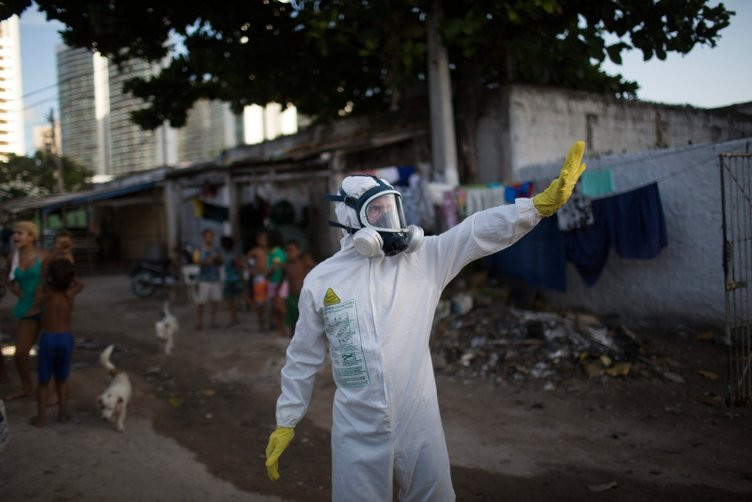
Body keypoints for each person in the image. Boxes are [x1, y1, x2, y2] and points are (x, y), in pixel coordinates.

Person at [265, 141, 587, 500]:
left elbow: (476, 231)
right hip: (357, 427)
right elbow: (303, 357)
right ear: (351, 220)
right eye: (378, 213)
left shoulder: (424, 260)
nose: (390, 222)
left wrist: (536, 207)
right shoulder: (321, 281)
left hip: (418, 416)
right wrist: (287, 418)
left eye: (392, 209)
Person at [30, 258, 83, 426]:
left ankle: (41, 418)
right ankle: (62, 414)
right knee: (62, 379)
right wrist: (69, 277)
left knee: (43, 381)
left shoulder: (45, 292)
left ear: (51, 277)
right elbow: (80, 283)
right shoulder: (70, 293)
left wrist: (48, 277)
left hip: (49, 338)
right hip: (65, 338)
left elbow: (36, 302)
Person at [5, 221, 47, 401]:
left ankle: (51, 391)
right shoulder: (12, 258)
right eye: (14, 233)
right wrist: (15, 291)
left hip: (47, 310)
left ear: (32, 236)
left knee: (48, 352)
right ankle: (26, 387)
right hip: (26, 310)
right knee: (21, 353)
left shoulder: (44, 256)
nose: (15, 236)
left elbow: (60, 276)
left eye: (20, 233)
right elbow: (8, 279)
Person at [280, 240, 313, 337]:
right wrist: (279, 297)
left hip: (304, 297)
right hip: (291, 298)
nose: (289, 253)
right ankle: (293, 342)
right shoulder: (285, 266)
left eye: (291, 250)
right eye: (287, 251)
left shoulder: (305, 263)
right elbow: (281, 282)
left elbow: (318, 271)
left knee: (307, 322)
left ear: (298, 251)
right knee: (292, 323)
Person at [193, 228, 223, 330]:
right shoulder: (199, 249)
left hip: (215, 278)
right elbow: (196, 261)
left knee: (215, 301)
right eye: (207, 237)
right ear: (203, 238)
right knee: (201, 302)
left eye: (211, 237)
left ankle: (213, 321)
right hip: (204, 279)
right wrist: (210, 259)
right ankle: (199, 322)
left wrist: (217, 259)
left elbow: (220, 262)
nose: (209, 239)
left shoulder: (217, 249)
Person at [243, 231, 270, 330]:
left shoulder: (270, 250)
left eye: (266, 239)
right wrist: (250, 271)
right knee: (260, 303)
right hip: (259, 279)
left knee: (270, 303)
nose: (264, 241)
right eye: (262, 239)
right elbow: (244, 261)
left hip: (269, 278)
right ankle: (261, 323)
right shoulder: (255, 251)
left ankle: (270, 323)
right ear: (258, 240)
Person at [266, 230, 287, 337]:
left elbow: (274, 267)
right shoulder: (275, 252)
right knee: (277, 307)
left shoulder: (277, 252)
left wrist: (266, 275)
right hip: (275, 282)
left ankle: (283, 328)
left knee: (279, 307)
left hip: (278, 282)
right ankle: (281, 328)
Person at [220, 235, 243, 327]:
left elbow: (238, 266)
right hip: (233, 279)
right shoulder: (230, 254)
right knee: (233, 300)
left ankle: (233, 318)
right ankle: (234, 318)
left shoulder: (229, 255)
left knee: (231, 301)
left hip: (232, 280)